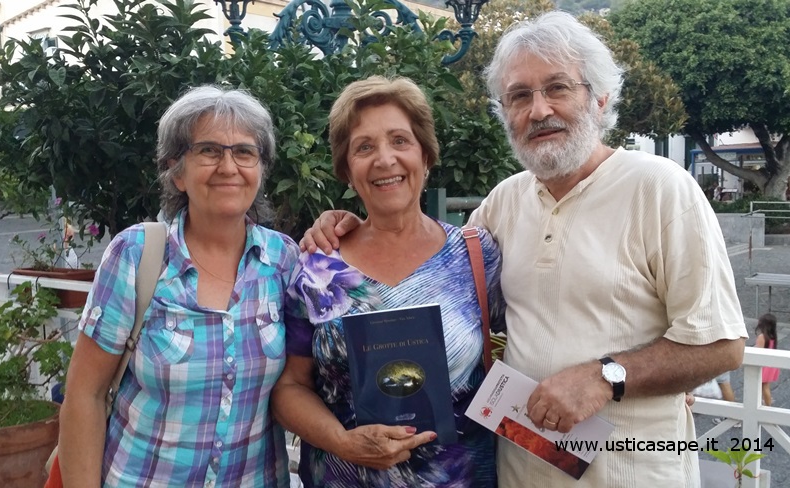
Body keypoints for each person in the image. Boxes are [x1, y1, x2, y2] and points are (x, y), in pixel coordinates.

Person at [300, 11, 747, 488]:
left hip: (630, 472)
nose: (538, 110)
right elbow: (427, 262)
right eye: (519, 96)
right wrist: (337, 225)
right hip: (517, 469)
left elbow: (722, 345)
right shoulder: (503, 205)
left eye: (557, 88)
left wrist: (608, 376)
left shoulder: (660, 189)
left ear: (599, 98)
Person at [57, 86, 298, 486]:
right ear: (177, 171)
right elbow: (85, 395)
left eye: (244, 151)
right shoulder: (136, 255)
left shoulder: (283, 261)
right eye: (208, 150)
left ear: (260, 169)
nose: (228, 166)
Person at [271, 76, 505, 487]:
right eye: (364, 147)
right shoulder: (319, 268)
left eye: (400, 140)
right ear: (347, 168)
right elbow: (290, 386)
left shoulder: (477, 254)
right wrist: (342, 441)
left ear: (425, 154)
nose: (384, 159)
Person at [755, 313, 780, 406]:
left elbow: (758, 351)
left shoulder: (762, 337)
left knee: (764, 386)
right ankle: (766, 401)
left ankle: (768, 405)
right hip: (770, 364)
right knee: (766, 385)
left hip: (764, 365)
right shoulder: (773, 336)